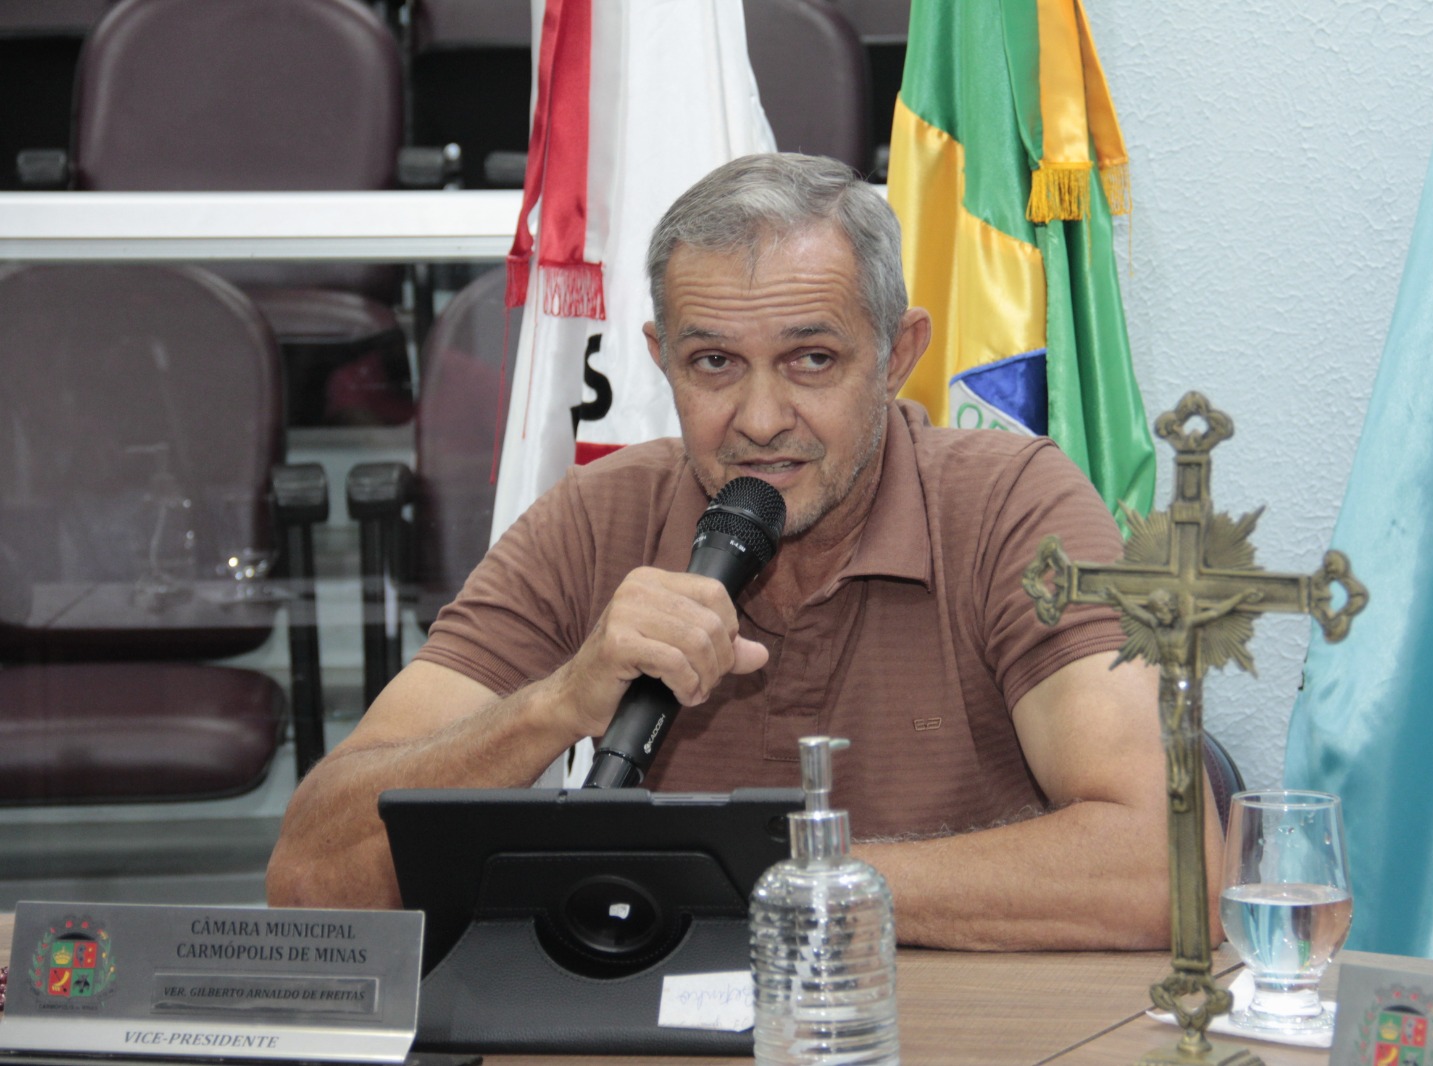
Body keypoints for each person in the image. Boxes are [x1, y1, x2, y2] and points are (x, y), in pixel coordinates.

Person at [267, 153, 1218, 951]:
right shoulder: (594, 519)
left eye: (812, 359)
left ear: (897, 356)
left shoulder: (1013, 504)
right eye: (714, 363)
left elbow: (1175, 870)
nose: (761, 420)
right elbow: (311, 879)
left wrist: (765, 877)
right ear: (662, 359)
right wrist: (557, 704)